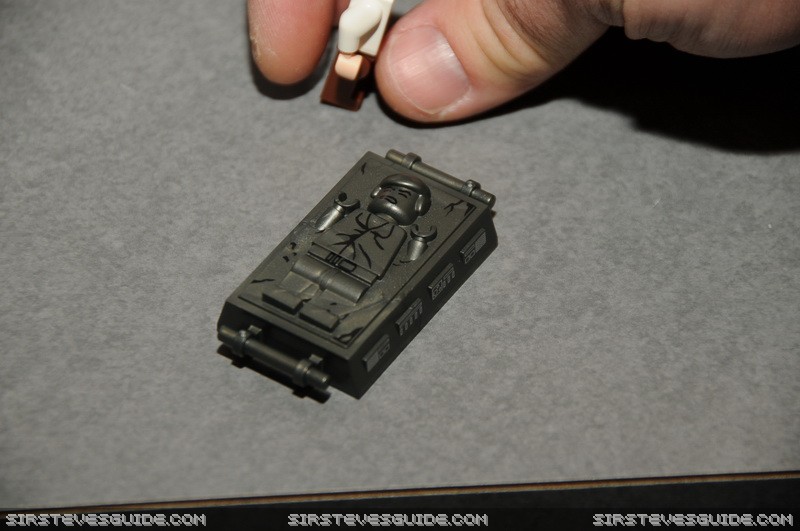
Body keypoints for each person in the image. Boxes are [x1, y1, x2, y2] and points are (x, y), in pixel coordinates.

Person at [247, 0, 800, 123]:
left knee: (353, 47)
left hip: (361, 30)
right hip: (359, 31)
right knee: (353, 47)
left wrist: (510, 31)